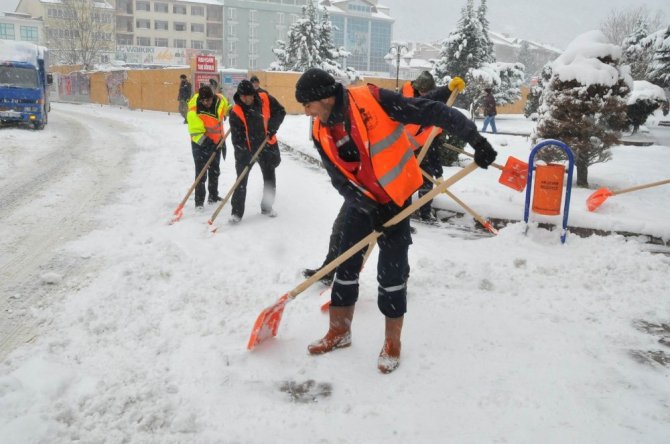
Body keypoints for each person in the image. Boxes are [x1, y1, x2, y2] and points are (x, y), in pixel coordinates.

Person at [295, 68, 496, 373]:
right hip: (362, 203)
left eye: (308, 105)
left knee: (392, 274)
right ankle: (340, 331)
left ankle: (392, 342)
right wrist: (368, 207)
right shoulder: (319, 130)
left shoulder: (371, 100)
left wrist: (476, 140)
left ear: (323, 98)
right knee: (345, 264)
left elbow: (432, 111)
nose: (306, 112)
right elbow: (339, 180)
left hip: (396, 200)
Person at [301, 72, 463, 284]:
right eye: (422, 89)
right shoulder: (400, 97)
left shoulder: (421, 102)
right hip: (369, 179)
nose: (424, 92)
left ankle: (399, 278)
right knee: (343, 227)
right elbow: (419, 101)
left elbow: (430, 103)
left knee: (396, 236)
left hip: (397, 180)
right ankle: (331, 269)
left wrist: (449, 89)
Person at [401, 71, 462, 223]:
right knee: (405, 185)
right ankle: (401, 218)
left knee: (426, 183)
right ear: (416, 88)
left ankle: (425, 214)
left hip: (420, 153)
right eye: (422, 91)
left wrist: (439, 174)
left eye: (427, 92)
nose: (424, 95)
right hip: (400, 153)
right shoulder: (405, 103)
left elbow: (433, 147)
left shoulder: (433, 118)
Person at [228, 79, 286, 223]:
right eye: (242, 96)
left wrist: (272, 127)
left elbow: (280, 111)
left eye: (248, 95)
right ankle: (236, 213)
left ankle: (267, 207)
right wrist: (245, 154)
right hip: (246, 149)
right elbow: (237, 139)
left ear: (253, 94)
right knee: (241, 180)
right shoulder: (236, 111)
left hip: (266, 145)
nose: (245, 99)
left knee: (269, 178)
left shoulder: (265, 99)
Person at [186, 85, 229, 208]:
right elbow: (196, 133)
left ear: (213, 97)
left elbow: (226, 107)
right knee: (201, 173)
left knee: (215, 171)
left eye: (208, 100)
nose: (206, 103)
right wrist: (209, 145)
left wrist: (231, 111)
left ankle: (213, 196)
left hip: (217, 142)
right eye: (203, 101)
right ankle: (199, 202)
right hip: (200, 144)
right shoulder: (194, 110)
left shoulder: (220, 100)